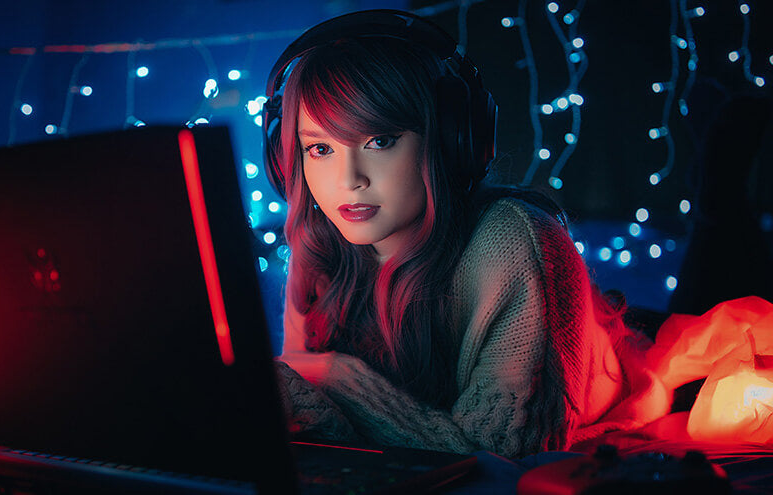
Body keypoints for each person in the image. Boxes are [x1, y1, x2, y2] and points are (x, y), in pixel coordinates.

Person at [263, 10, 669, 459]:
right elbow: (313, 415)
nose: (348, 179)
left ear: (451, 139)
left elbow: (495, 458)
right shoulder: (320, 242)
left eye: (379, 141)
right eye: (320, 148)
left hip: (618, 364)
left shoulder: (517, 241)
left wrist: (334, 377)